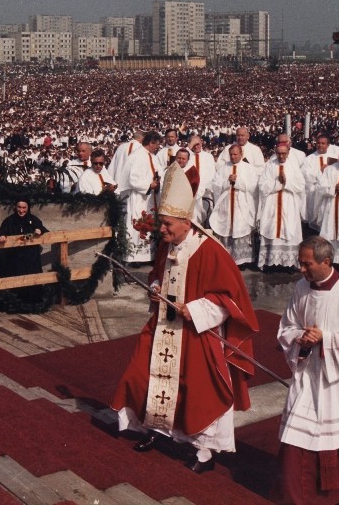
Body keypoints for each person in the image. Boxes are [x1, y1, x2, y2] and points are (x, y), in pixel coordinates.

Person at [111, 162, 259, 473]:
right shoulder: (168, 244)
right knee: (143, 376)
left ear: (185, 220)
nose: (161, 230)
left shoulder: (210, 251)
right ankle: (155, 430)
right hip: (164, 326)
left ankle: (204, 452)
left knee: (198, 391)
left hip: (197, 334)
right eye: (160, 224)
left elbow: (230, 301)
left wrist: (193, 309)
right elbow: (157, 275)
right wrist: (154, 287)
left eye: (166, 225)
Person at [276, 236, 339, 505]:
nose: (301, 269)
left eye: (306, 264)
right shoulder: (301, 287)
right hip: (310, 372)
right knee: (297, 440)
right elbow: (287, 327)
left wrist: (326, 338)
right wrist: (301, 337)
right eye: (300, 263)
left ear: (326, 262)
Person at [208, 144, 259, 268]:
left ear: (241, 154)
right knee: (226, 228)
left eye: (236, 154)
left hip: (242, 204)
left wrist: (238, 182)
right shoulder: (223, 167)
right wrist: (227, 182)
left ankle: (242, 261)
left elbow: (253, 187)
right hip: (226, 204)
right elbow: (215, 184)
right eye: (231, 154)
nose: (233, 156)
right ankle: (227, 258)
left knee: (241, 227)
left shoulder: (248, 168)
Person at [257, 143, 306, 272]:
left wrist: (287, 182)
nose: (281, 155)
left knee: (288, 230)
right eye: (278, 153)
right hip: (272, 203)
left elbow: (300, 185)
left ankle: (288, 264)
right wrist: (277, 183)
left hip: (288, 203)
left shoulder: (293, 166)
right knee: (271, 229)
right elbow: (262, 185)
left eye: (284, 153)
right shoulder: (269, 165)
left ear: (288, 153)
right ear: (275, 152)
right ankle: (271, 263)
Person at [0, 198, 47, 302]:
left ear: (28, 208)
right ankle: (17, 303)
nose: (21, 210)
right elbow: (0, 232)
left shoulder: (33, 219)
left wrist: (40, 230)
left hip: (31, 258)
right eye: (19, 207)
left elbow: (43, 230)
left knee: (33, 281)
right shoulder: (9, 221)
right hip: (15, 259)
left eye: (24, 207)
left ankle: (35, 302)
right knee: (17, 282)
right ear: (15, 207)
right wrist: (1, 236)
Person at [123, 131, 163, 264]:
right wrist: (149, 185)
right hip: (139, 196)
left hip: (150, 197)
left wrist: (158, 182)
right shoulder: (137, 156)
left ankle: (148, 256)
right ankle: (134, 257)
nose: (157, 147)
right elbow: (132, 179)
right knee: (138, 224)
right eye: (156, 144)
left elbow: (158, 171)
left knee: (149, 223)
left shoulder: (152, 156)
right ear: (151, 143)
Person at [301, 133, 339, 231]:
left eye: (323, 143)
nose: (320, 145)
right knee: (314, 217)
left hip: (328, 192)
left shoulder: (335, 158)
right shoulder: (309, 159)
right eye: (318, 143)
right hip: (314, 192)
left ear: (328, 145)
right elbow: (306, 175)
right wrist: (321, 171)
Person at [186, 134, 217, 225]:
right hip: (191, 194)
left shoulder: (208, 157)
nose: (197, 146)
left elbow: (211, 175)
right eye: (194, 144)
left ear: (202, 142)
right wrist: (189, 147)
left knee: (206, 221)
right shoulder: (187, 156)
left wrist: (202, 188)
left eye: (198, 143)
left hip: (205, 194)